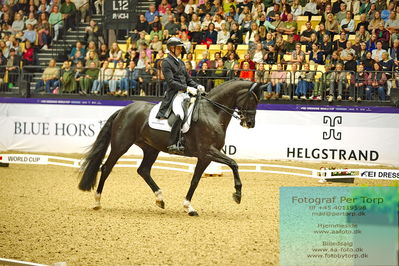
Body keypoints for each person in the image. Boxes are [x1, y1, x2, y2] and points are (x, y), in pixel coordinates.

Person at [155, 37, 205, 154]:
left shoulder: (181, 62)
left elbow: (188, 79)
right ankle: (172, 143)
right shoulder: (166, 62)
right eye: (178, 48)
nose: (180, 50)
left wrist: (197, 86)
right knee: (180, 114)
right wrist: (186, 88)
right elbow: (171, 82)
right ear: (171, 48)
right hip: (175, 95)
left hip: (185, 94)